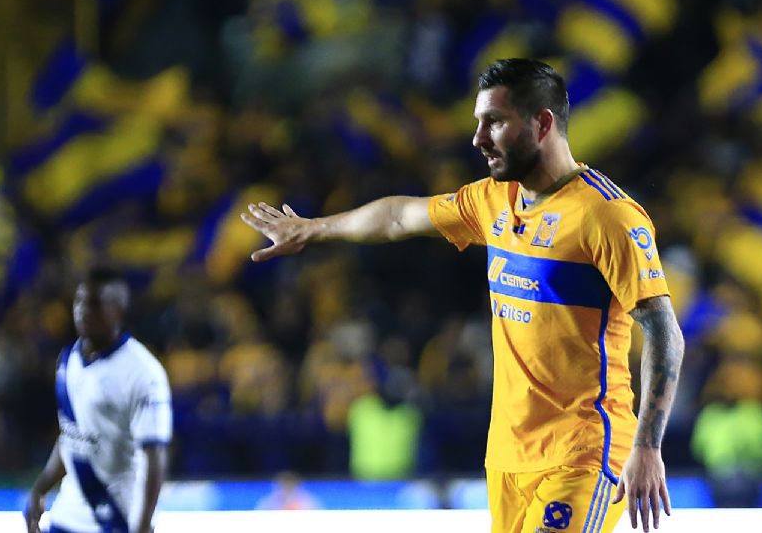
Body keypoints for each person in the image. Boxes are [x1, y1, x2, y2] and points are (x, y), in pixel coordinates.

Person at [241, 58, 684, 533]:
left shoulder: (608, 217)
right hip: (508, 457)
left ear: (543, 123)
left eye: (494, 121)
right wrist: (314, 228)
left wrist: (647, 447)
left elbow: (664, 332)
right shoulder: (493, 200)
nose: (477, 138)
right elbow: (397, 218)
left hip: (585, 452)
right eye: (478, 121)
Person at [25, 267, 172, 533]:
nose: (83, 310)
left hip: (118, 518)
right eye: (79, 301)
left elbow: (155, 455)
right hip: (67, 516)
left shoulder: (143, 372)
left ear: (120, 309)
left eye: (95, 303)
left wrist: (140, 527)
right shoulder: (68, 359)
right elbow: (71, 435)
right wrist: (40, 488)